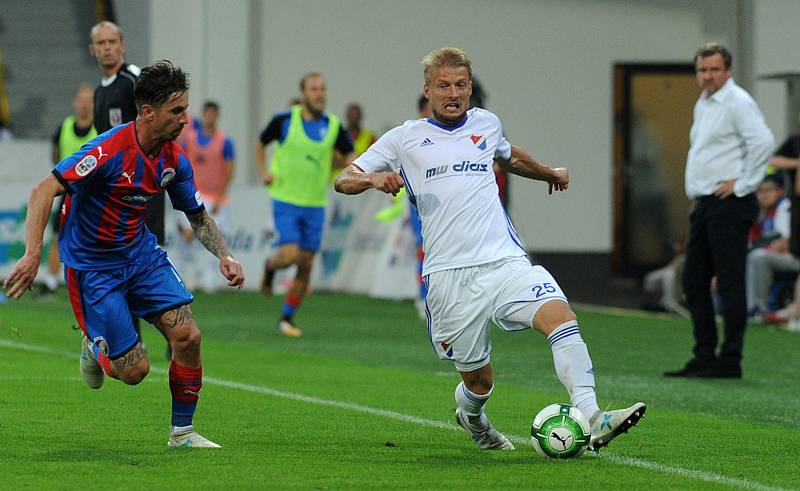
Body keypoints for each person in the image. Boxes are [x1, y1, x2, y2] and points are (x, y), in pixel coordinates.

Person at [335, 47, 645, 451]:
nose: (453, 93)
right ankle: (474, 419)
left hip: (504, 261)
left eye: (460, 85)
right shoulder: (406, 138)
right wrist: (374, 181)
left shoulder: (486, 124)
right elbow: (345, 179)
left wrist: (548, 173)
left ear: (469, 89)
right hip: (448, 276)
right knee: (479, 382)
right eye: (443, 85)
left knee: (559, 315)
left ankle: (591, 413)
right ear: (427, 90)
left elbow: (509, 156)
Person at [2, 61, 245, 448]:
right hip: (93, 268)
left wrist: (225, 256)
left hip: (140, 255)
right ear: (148, 112)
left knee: (188, 336)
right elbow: (44, 190)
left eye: (185, 109)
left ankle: (181, 433)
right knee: (134, 372)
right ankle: (94, 346)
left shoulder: (173, 161)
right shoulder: (107, 150)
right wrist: (33, 255)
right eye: (177, 111)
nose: (186, 120)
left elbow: (197, 216)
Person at [664, 43, 774, 379]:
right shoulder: (706, 103)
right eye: (702, 70)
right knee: (695, 281)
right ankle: (704, 353)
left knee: (728, 281)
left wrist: (742, 184)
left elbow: (764, 142)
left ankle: (730, 359)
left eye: (714, 70)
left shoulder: (738, 102)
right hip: (707, 204)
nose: (708, 76)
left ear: (727, 71)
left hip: (730, 203)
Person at [256, 72, 354, 337]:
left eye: (322, 88)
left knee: (307, 263)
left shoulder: (333, 125)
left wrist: (352, 166)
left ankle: (286, 317)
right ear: (303, 94)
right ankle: (270, 266)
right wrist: (263, 170)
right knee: (289, 255)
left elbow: (350, 154)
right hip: (286, 199)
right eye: (314, 89)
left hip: (315, 204)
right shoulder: (285, 119)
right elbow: (261, 141)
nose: (319, 93)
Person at [90, 21, 166, 247]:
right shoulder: (99, 91)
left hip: (141, 182)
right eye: (101, 43)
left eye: (112, 42)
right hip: (113, 185)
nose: (107, 47)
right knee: (114, 255)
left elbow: (161, 116)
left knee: (145, 252)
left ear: (122, 45)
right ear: (92, 49)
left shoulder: (135, 79)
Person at [38, 84, 98, 297]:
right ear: (75, 102)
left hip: (93, 195)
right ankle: (50, 283)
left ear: (94, 103)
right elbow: (55, 153)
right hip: (68, 192)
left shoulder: (100, 128)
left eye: (88, 100)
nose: (84, 104)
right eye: (81, 99)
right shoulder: (64, 127)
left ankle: (92, 284)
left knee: (93, 240)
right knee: (57, 236)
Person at [175, 100, 235, 292]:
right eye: (206, 113)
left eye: (213, 113)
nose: (210, 117)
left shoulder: (224, 141)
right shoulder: (190, 139)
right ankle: (186, 272)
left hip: (215, 196)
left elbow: (229, 170)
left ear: (217, 116)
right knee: (187, 235)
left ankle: (210, 278)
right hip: (194, 193)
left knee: (215, 237)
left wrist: (220, 195)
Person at [746, 173, 796, 316]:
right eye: (759, 191)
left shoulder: (784, 206)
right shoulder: (761, 213)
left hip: (793, 257)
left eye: (768, 190)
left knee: (758, 257)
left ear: (780, 191)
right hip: (778, 257)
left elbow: (787, 241)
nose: (763, 195)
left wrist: (767, 249)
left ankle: (757, 309)